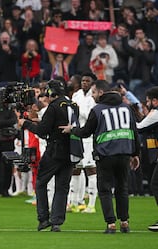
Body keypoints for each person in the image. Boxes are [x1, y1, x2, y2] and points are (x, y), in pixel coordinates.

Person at [60, 80, 140, 234]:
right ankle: (124, 223)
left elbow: (85, 132)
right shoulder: (126, 108)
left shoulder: (98, 110)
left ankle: (111, 224)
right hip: (124, 153)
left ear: (101, 93)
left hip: (105, 154)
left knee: (104, 190)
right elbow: (134, 131)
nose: (93, 95)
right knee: (122, 188)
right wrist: (135, 154)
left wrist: (72, 130)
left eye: (94, 92)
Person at [18, 80, 75, 232]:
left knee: (41, 182)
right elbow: (58, 124)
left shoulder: (53, 107)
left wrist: (26, 123)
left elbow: (43, 132)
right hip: (71, 151)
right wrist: (40, 121)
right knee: (62, 187)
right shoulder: (73, 105)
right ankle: (57, 222)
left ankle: (43, 218)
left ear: (51, 92)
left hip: (55, 150)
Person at [69, 72, 98, 214]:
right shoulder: (76, 95)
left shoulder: (93, 97)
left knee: (91, 168)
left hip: (90, 136)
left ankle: (91, 204)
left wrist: (79, 111)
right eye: (83, 81)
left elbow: (90, 115)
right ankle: (76, 202)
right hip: (77, 135)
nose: (84, 83)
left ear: (92, 83)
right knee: (76, 167)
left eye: (87, 81)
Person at [135, 87, 158, 232]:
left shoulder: (156, 113)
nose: (147, 103)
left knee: (156, 184)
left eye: (148, 100)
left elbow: (139, 127)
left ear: (155, 101)